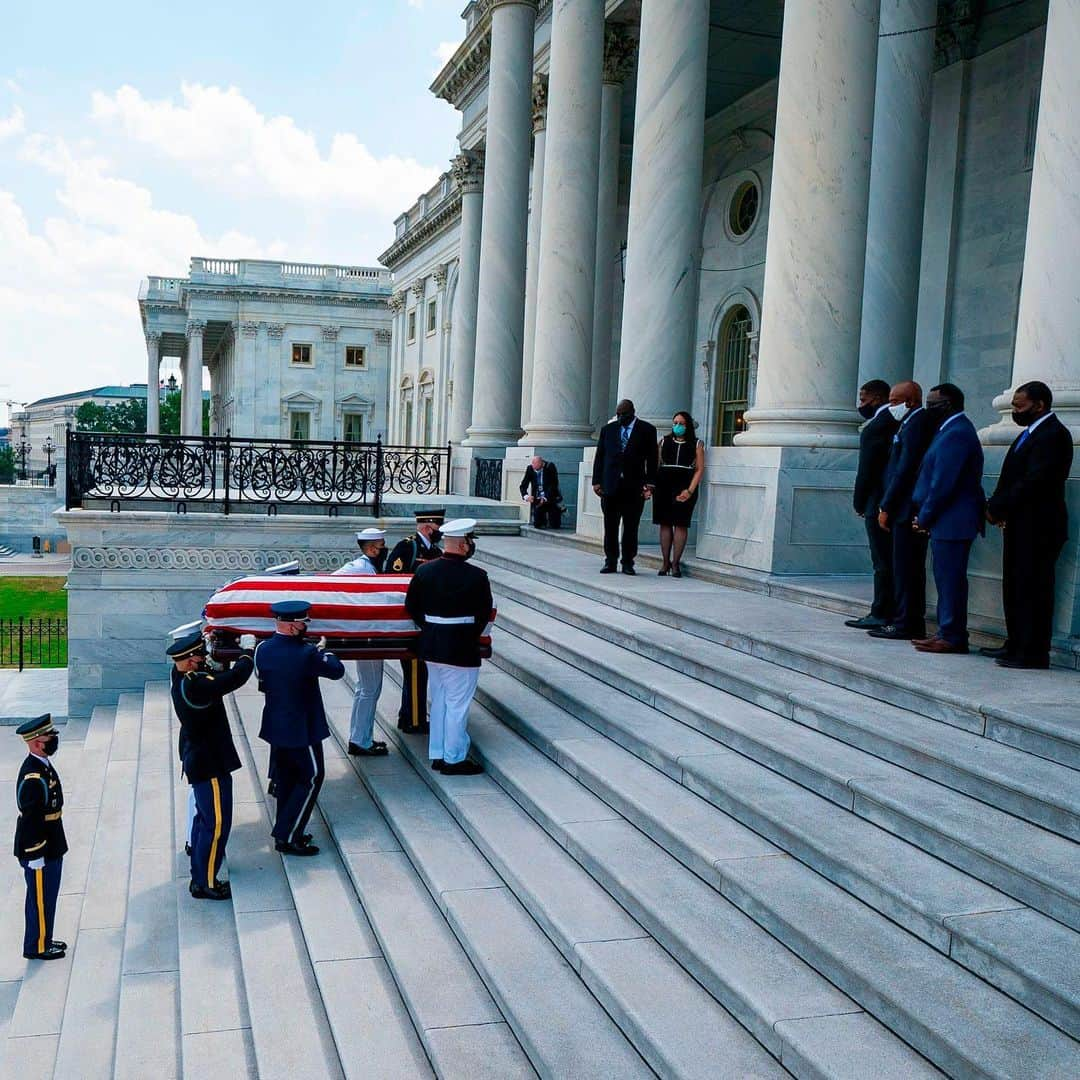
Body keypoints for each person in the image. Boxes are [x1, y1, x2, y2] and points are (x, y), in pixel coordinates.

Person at [984, 381, 1074, 669]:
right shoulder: (1028, 434)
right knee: (1015, 586)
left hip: (1040, 527)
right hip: (1019, 524)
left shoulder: (1054, 435)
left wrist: (999, 506)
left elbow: (1035, 481)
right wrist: (995, 506)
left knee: (1034, 589)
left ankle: (1033, 652)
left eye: (1019, 406)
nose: (1014, 411)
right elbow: (1010, 476)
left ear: (1040, 405)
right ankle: (1015, 643)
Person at [168, 628, 255, 899]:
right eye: (201, 656)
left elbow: (213, 676)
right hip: (210, 764)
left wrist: (214, 664)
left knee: (203, 819)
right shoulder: (196, 684)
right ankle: (205, 883)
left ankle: (200, 874)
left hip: (201, 758)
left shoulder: (182, 676)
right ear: (193, 660)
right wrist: (248, 653)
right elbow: (233, 679)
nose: (204, 659)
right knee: (216, 824)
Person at [255, 600, 345, 855]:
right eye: (303, 622)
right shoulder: (307, 654)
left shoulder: (262, 649)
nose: (306, 625)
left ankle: (285, 830)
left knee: (286, 779)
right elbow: (336, 671)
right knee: (311, 777)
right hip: (301, 729)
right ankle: (289, 836)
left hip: (276, 726)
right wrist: (325, 651)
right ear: (293, 626)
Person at [404, 518, 492, 776]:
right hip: (460, 646)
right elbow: (483, 613)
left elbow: (412, 606)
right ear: (463, 544)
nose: (471, 545)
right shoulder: (477, 576)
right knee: (457, 703)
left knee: (441, 700)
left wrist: (432, 627)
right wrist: (465, 634)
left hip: (431, 644)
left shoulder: (424, 571)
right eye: (470, 541)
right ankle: (453, 759)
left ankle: (438, 753)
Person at [910, 384, 985, 654]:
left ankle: (952, 636)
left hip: (952, 520)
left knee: (950, 579)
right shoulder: (948, 430)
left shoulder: (957, 432)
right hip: (946, 520)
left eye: (933, 405)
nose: (928, 410)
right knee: (944, 578)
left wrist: (925, 516)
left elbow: (944, 482)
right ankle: (946, 631)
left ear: (950, 405)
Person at [869, 381, 940, 641]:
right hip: (903, 508)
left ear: (910, 401)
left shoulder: (916, 423)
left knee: (907, 569)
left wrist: (886, 505)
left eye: (894, 401)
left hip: (905, 509)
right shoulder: (909, 422)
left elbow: (905, 469)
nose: (890, 406)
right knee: (903, 568)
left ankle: (906, 623)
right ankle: (904, 619)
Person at [846, 379, 900, 629]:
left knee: (882, 562)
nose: (861, 405)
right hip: (889, 501)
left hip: (877, 502)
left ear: (878, 398)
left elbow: (867, 470)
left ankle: (881, 611)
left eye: (864, 399)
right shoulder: (896, 422)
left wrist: (859, 501)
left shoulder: (877, 426)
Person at [385, 508, 445, 733]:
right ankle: (415, 721)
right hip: (411, 619)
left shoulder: (435, 551)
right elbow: (393, 580)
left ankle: (407, 715)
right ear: (428, 526)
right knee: (416, 669)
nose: (440, 530)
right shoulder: (407, 547)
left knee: (419, 671)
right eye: (438, 526)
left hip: (427, 620)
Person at [13, 714, 67, 961]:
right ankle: (38, 946)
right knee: (40, 900)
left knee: (46, 897)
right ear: (36, 742)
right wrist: (36, 854)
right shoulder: (33, 777)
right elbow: (31, 820)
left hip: (52, 842)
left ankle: (43, 937)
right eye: (49, 737)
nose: (53, 739)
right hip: (40, 849)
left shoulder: (41, 765)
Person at [333, 527, 390, 757]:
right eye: (381, 546)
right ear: (370, 548)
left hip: (368, 634)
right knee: (369, 689)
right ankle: (361, 741)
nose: (385, 549)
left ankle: (360, 737)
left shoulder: (368, 566)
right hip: (367, 636)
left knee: (365, 689)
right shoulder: (358, 568)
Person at [592, 398, 658, 575]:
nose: (621, 418)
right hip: (610, 486)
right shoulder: (608, 430)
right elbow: (600, 457)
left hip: (634, 487)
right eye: (618, 414)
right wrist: (596, 481)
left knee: (630, 527)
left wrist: (650, 484)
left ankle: (628, 562)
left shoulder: (647, 430)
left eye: (624, 414)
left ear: (633, 412)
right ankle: (610, 561)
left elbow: (652, 459)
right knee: (610, 526)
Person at [652, 411, 704, 577]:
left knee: (681, 523)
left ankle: (675, 564)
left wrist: (690, 490)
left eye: (681, 423)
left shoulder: (697, 444)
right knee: (665, 523)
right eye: (675, 422)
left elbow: (699, 469)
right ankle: (665, 562)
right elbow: (656, 465)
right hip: (664, 486)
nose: (677, 426)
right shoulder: (663, 441)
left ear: (687, 425)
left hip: (685, 486)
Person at [520, 455, 563, 529]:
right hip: (538, 498)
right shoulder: (530, 469)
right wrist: (526, 496)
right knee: (537, 524)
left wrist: (545, 498)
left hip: (550, 498)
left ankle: (555, 517)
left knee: (555, 525)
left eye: (538, 470)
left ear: (541, 464)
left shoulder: (550, 467)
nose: (536, 471)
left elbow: (554, 485)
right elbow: (523, 485)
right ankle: (542, 520)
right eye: (535, 470)